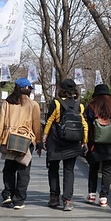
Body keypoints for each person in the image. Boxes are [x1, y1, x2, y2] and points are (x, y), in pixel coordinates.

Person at [0, 77, 41, 209]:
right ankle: (19, 200)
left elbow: (0, 122)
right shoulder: (33, 105)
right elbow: (37, 126)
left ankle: (7, 194)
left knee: (9, 168)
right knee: (23, 171)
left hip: (9, 139)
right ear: (27, 89)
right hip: (25, 140)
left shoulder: (7, 103)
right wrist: (39, 142)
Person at [41, 78, 87, 211]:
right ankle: (67, 200)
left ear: (62, 89)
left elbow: (49, 121)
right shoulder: (80, 106)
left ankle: (54, 197)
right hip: (73, 142)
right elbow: (84, 125)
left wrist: (44, 137)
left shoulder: (56, 103)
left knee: (53, 169)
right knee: (69, 170)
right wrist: (84, 141)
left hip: (55, 142)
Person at [83, 84, 111, 207]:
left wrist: (87, 143)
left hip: (94, 145)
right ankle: (103, 197)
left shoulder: (90, 108)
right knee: (107, 171)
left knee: (93, 168)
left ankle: (91, 194)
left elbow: (86, 126)